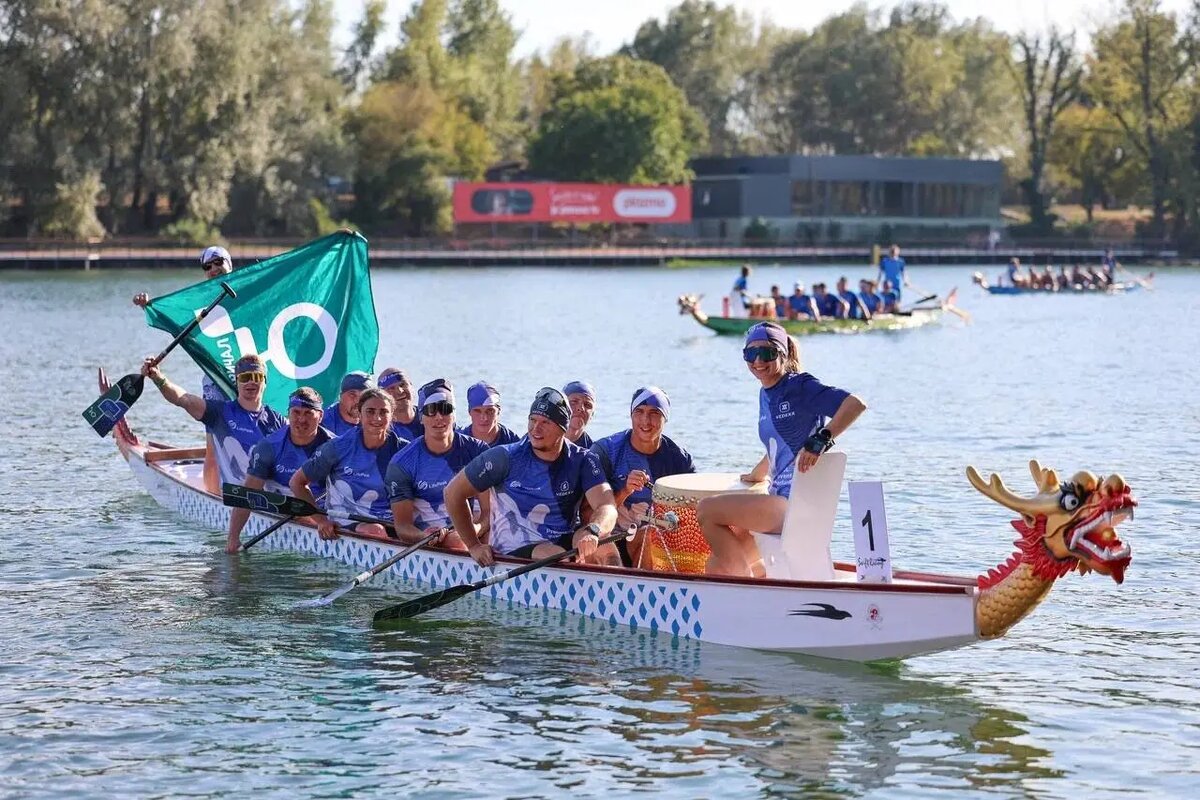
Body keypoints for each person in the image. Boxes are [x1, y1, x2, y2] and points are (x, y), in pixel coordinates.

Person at [698, 322, 866, 578]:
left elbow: (855, 404)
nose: (757, 361)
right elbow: (778, 446)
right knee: (715, 567)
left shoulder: (799, 387)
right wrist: (757, 474)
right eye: (750, 354)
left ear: (783, 353)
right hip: (779, 499)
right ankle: (757, 595)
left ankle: (744, 584)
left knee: (706, 510)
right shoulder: (765, 393)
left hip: (792, 504)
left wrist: (822, 439)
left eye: (766, 353)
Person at [443, 387, 620, 567]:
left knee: (607, 548)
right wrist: (473, 545)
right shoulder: (504, 458)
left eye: (545, 423)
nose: (535, 429)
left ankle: (617, 587)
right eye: (532, 420)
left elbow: (607, 506)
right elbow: (452, 493)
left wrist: (593, 530)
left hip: (563, 540)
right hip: (514, 548)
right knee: (558, 555)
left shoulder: (583, 459)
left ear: (562, 428)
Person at [142, 353, 284, 542]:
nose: (251, 382)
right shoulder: (219, 412)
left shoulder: (277, 420)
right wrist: (159, 379)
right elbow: (182, 399)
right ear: (237, 382)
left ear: (264, 382)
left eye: (256, 377)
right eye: (245, 377)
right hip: (240, 500)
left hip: (275, 500)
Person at [133, 244, 236, 494]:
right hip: (216, 380)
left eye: (218, 263)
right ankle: (213, 496)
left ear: (230, 264)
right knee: (214, 440)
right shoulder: (201, 300)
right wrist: (150, 305)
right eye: (207, 267)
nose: (213, 270)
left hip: (251, 378)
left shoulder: (250, 290)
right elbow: (175, 314)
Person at [591, 386, 696, 568]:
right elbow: (588, 515)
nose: (645, 421)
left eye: (654, 413)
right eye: (639, 412)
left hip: (653, 540)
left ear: (665, 418)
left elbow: (692, 513)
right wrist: (625, 490)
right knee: (650, 534)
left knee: (653, 534)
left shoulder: (680, 459)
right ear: (631, 415)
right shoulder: (606, 451)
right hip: (610, 538)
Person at [291, 388, 408, 541]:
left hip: (390, 520)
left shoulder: (404, 450)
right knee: (376, 531)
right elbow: (297, 483)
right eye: (370, 411)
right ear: (359, 414)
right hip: (345, 519)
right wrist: (321, 520)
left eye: (383, 412)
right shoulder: (338, 447)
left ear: (392, 415)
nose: (377, 418)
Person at [226, 387, 333, 552]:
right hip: (282, 510)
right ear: (288, 414)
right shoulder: (269, 447)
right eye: (296, 412)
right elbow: (248, 494)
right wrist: (233, 539)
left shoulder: (335, 445)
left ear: (320, 416)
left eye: (308, 413)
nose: (301, 419)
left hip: (324, 513)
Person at [386, 379, 488, 551]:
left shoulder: (478, 451)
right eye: (431, 410)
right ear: (421, 418)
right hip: (425, 537)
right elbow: (402, 527)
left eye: (445, 409)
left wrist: (474, 530)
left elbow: (488, 512)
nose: (439, 417)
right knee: (456, 543)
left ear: (454, 414)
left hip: (468, 531)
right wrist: (423, 536)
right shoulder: (402, 463)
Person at [458, 381, 521, 445]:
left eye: (490, 411)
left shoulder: (514, 444)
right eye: (477, 411)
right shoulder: (457, 443)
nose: (484, 418)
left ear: (498, 411)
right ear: (469, 412)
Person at [324, 371, 372, 437]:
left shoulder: (374, 419)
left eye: (363, 395)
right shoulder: (324, 422)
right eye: (352, 394)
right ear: (340, 396)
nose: (358, 401)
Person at [379, 367, 422, 440]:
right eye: (391, 388)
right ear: (383, 396)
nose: (400, 391)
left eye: (402, 385)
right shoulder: (382, 430)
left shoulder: (430, 417)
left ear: (411, 386)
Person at [563, 380, 597, 449]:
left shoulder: (595, 453)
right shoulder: (540, 440)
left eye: (587, 405)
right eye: (573, 402)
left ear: (592, 414)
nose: (580, 408)